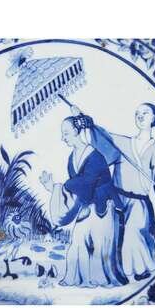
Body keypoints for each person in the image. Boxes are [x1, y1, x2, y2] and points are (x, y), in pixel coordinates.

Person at [70, 102, 155, 283]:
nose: (140, 116)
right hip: (116, 197)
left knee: (134, 232)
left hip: (139, 201)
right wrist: (84, 120)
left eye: (145, 113)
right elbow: (104, 139)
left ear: (154, 118)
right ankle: (114, 271)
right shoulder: (123, 143)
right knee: (113, 234)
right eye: (137, 113)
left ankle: (140, 269)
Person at [39, 116, 123, 287]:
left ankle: (100, 279)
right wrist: (54, 188)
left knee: (100, 243)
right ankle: (78, 278)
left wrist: (59, 187)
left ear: (77, 131)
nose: (63, 138)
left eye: (66, 133)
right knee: (78, 240)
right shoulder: (72, 157)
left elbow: (86, 182)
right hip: (86, 204)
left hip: (102, 204)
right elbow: (77, 187)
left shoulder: (95, 156)